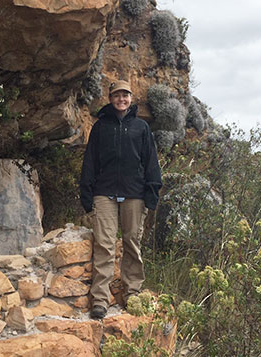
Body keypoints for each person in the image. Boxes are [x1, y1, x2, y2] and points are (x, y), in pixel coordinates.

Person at [80, 80, 162, 319]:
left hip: (135, 194)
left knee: (131, 244)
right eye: (117, 95)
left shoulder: (141, 127)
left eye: (125, 95)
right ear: (110, 98)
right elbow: (90, 163)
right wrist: (86, 195)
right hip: (103, 193)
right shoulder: (100, 127)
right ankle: (100, 301)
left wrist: (152, 194)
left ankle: (132, 293)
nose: (121, 99)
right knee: (104, 246)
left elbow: (151, 163)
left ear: (130, 98)